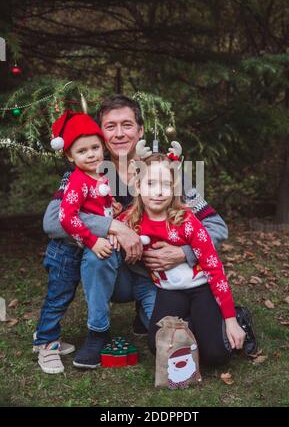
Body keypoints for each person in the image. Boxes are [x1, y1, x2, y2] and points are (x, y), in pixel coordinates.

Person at [42, 95, 236, 369]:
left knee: (180, 336)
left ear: (140, 130)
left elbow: (216, 226)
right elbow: (52, 221)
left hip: (158, 280)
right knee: (100, 250)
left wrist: (183, 253)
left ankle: (214, 316)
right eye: (110, 126)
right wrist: (115, 226)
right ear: (101, 132)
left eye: (127, 124)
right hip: (113, 274)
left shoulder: (167, 172)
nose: (119, 133)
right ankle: (97, 333)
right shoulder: (84, 171)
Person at [119, 144, 251, 365]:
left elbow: (214, 269)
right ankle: (195, 323)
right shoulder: (130, 221)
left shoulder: (188, 223)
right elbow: (112, 226)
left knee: (216, 355)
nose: (159, 192)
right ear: (139, 186)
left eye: (166, 185)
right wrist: (115, 233)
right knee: (157, 346)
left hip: (201, 288)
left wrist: (230, 320)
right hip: (169, 291)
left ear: (174, 189)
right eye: (151, 184)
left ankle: (233, 317)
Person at [34, 109, 122, 374]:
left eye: (95, 147)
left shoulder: (100, 176)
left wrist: (112, 208)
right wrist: (94, 240)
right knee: (58, 298)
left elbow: (95, 206)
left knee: (65, 295)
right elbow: (67, 218)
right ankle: (46, 343)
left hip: (77, 249)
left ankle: (46, 337)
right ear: (70, 156)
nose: (91, 154)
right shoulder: (76, 180)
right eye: (82, 151)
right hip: (65, 251)